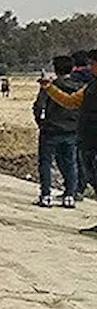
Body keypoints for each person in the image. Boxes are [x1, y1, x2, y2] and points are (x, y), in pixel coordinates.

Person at [38, 50, 97, 235]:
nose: (90, 67)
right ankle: (73, 195)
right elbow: (70, 101)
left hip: (87, 140)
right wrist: (49, 88)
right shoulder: (90, 87)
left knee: (48, 163)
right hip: (85, 140)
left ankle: (51, 194)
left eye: (93, 63)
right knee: (90, 177)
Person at [32, 55, 81, 208]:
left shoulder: (49, 86)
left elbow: (39, 106)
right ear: (72, 69)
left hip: (50, 130)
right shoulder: (79, 87)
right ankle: (70, 196)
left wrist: (40, 122)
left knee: (45, 163)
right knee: (71, 164)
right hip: (71, 131)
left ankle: (46, 195)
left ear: (55, 69)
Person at [72, 50, 95, 202]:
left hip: (85, 132)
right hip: (85, 131)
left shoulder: (76, 80)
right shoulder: (91, 82)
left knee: (81, 162)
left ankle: (79, 188)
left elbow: (70, 101)